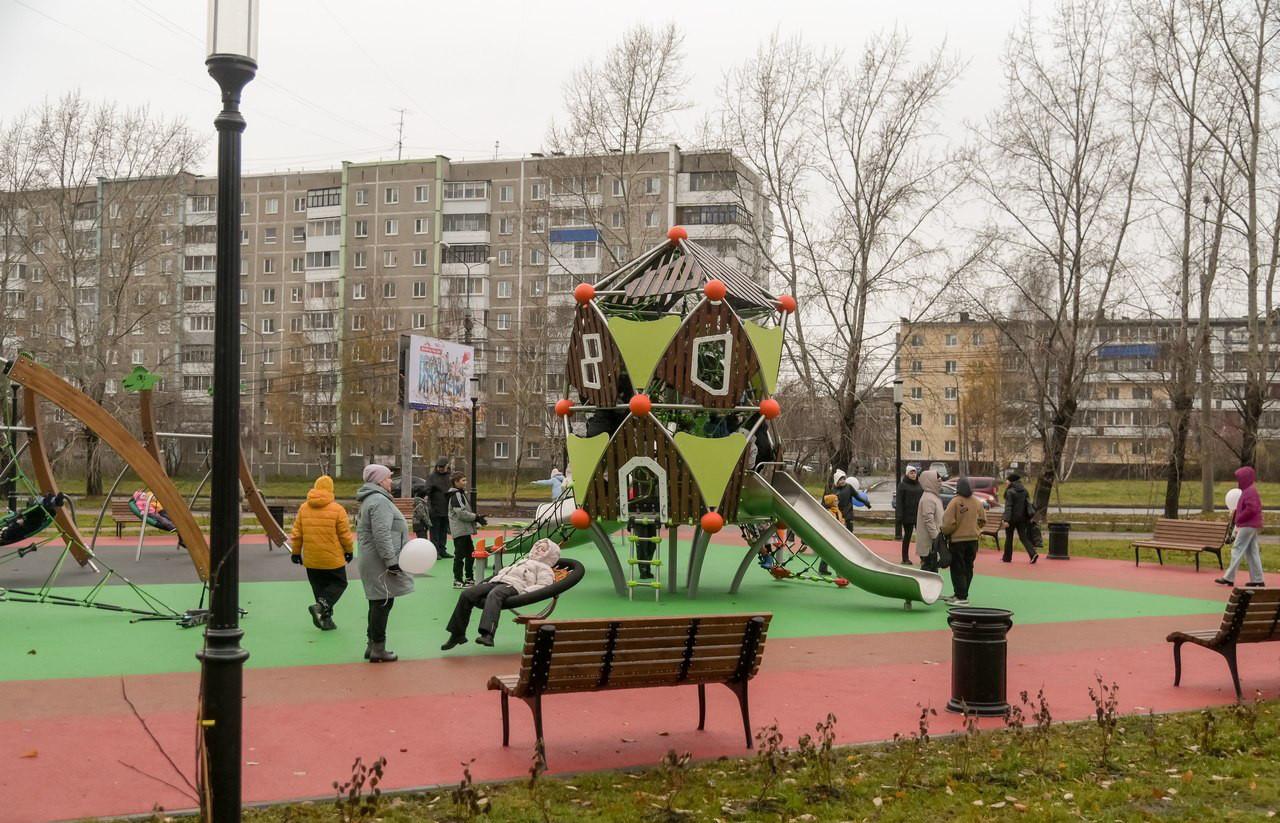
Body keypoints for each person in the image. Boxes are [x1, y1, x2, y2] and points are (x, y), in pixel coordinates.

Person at [441, 538, 560, 649]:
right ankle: (457, 634)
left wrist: (526, 592)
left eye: (543, 549)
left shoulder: (544, 568)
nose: (539, 550)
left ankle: (488, 634)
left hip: (515, 586)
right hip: (498, 581)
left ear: (549, 554)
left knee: (495, 594)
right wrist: (487, 582)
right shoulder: (523, 561)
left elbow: (544, 585)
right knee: (467, 594)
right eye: (538, 547)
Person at [356, 463, 413, 663]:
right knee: (382, 603)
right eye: (389, 477)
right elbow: (382, 534)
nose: (391, 481)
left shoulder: (371, 499)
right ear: (380, 480)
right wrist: (391, 561)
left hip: (372, 559)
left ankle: (372, 645)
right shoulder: (379, 500)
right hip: (379, 561)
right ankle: (378, 648)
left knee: (377, 602)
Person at [289, 475, 354, 631]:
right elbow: (344, 534)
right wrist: (349, 551)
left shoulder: (304, 508)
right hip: (332, 559)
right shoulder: (337, 509)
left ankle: (326, 620)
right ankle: (322, 607)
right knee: (339, 583)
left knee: (319, 589)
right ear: (331, 489)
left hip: (312, 560)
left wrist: (296, 552)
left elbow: (297, 533)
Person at [1217, 466, 1265, 588]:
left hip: (1247, 524)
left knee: (1237, 549)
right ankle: (1257, 580)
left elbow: (1251, 508)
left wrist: (1239, 518)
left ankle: (1229, 577)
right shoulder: (1249, 491)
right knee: (1252, 552)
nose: (1238, 481)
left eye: (1239, 478)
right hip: (1251, 524)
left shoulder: (1249, 491)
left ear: (1245, 479)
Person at [941, 477, 986, 606]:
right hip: (973, 540)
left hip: (957, 540)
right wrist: (975, 529)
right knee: (968, 567)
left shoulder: (955, 502)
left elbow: (948, 523)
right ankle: (962, 593)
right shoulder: (977, 502)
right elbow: (983, 519)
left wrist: (945, 532)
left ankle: (960, 596)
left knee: (957, 568)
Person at [448, 471, 487, 589]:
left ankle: (469, 578)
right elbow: (461, 513)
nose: (465, 482)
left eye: (465, 480)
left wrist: (476, 518)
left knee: (470, 554)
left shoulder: (460, 494)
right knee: (459, 555)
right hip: (460, 530)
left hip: (464, 530)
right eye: (463, 480)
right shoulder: (456, 495)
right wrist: (476, 517)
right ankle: (458, 580)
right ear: (456, 482)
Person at [1001, 473, 1039, 564]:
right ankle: (1033, 553)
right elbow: (1027, 505)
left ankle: (1007, 558)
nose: (1006, 482)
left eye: (1007, 480)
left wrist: (1006, 520)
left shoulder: (1010, 492)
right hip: (1022, 519)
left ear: (1011, 481)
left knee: (1009, 537)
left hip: (1011, 519)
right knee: (1023, 537)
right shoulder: (1024, 490)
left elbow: (1008, 507)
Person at [915, 469, 945, 571]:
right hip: (929, 544)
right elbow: (928, 519)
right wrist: (936, 537)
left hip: (933, 543)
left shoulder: (933, 497)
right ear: (930, 482)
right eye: (938, 481)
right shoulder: (928, 498)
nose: (940, 483)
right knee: (928, 569)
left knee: (932, 569)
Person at [426, 456, 453, 559]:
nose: (440, 468)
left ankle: (442, 550)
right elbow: (427, 490)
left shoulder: (450, 477)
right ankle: (435, 551)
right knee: (435, 532)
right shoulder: (432, 477)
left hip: (446, 509)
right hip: (435, 509)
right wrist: (429, 490)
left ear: (447, 466)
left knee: (443, 531)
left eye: (442, 467)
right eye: (439, 466)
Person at [896, 465, 923, 565]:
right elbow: (899, 502)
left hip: (918, 516)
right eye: (911, 472)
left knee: (921, 537)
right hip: (907, 516)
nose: (913, 474)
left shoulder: (919, 485)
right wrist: (899, 516)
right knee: (907, 536)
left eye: (914, 472)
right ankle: (905, 558)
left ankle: (923, 557)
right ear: (907, 473)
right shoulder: (902, 485)